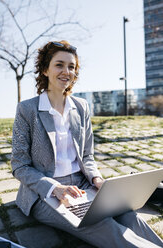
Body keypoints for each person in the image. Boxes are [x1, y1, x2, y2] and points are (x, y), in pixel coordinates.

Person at [11, 40, 163, 248]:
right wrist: (54, 187)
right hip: (44, 193)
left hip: (83, 185)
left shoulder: (81, 107)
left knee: (129, 216)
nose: (66, 71)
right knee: (107, 228)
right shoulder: (27, 109)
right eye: (59, 65)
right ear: (45, 70)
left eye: (71, 67)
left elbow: (87, 156)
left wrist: (97, 179)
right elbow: (19, 165)